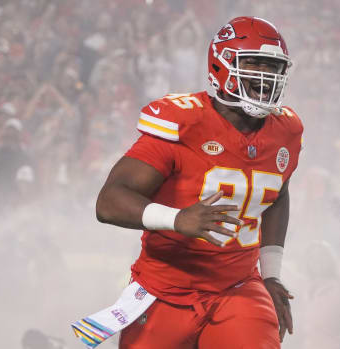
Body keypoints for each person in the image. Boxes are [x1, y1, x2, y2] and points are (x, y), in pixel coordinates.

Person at [95, 16, 302, 349]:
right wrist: (176, 219)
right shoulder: (183, 123)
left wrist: (271, 274)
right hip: (166, 289)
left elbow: (278, 194)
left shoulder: (286, 130)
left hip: (236, 288)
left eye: (272, 67)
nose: (265, 78)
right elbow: (108, 201)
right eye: (253, 64)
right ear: (221, 66)